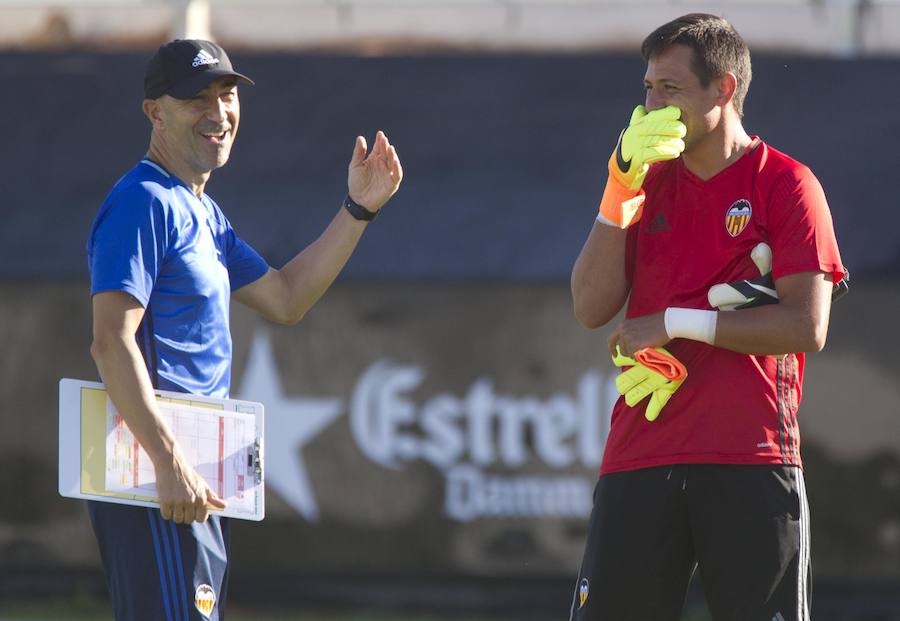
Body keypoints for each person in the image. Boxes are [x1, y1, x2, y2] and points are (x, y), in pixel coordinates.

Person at [86, 39, 402, 621]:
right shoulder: (144, 201)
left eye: (226, 94)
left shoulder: (201, 210)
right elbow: (111, 340)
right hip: (157, 474)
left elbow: (286, 298)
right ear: (155, 111)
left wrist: (358, 209)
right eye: (195, 98)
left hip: (190, 474)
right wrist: (167, 461)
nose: (218, 112)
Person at [569, 14, 845, 621]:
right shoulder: (644, 180)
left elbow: (807, 327)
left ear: (722, 89)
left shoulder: (788, 185)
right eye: (647, 88)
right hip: (641, 449)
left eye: (669, 89)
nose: (651, 105)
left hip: (751, 456)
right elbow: (589, 307)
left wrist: (674, 322)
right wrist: (618, 190)